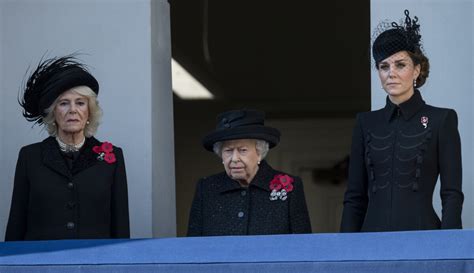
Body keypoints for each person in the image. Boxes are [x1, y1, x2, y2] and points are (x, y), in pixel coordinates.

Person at [341, 10, 463, 232]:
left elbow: (451, 194)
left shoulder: (442, 119)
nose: (391, 73)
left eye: (400, 64)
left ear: (416, 70)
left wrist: (450, 247)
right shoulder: (365, 123)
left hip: (425, 237)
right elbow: (354, 197)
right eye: (384, 66)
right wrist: (344, 252)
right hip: (371, 242)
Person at [5, 55, 130, 241]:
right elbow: (16, 223)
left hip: (95, 264)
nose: (73, 110)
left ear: (89, 112)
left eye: (80, 103)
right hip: (41, 264)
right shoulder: (29, 157)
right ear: (53, 113)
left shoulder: (112, 157)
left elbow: (120, 226)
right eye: (64, 103)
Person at [187, 109, 312, 236]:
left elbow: (303, 245)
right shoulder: (207, 188)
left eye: (243, 150)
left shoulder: (290, 187)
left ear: (259, 152)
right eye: (228, 151)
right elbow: (192, 246)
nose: (234, 159)